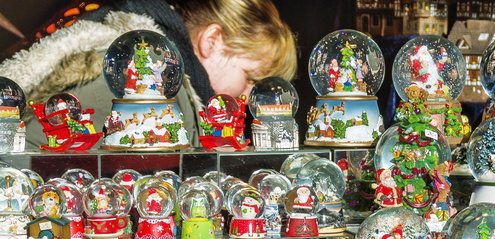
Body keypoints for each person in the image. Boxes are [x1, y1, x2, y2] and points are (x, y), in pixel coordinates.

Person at [0, 0, 297, 148]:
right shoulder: (137, 78)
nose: (247, 96)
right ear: (212, 42)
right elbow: (34, 160)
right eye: (250, 77)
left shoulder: (179, 90)